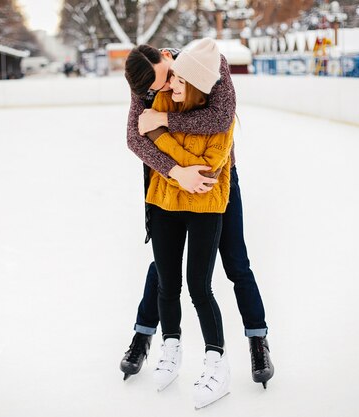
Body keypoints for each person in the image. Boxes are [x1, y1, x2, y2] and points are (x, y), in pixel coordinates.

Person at [121, 39, 274, 391]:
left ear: (166, 55)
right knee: (164, 265)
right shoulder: (144, 79)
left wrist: (164, 120)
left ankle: (258, 340)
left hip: (214, 175)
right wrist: (175, 171)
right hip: (168, 180)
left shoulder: (205, 62)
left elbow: (221, 118)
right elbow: (134, 137)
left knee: (236, 261)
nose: (161, 89)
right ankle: (144, 337)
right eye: (153, 89)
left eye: (164, 79)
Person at [141, 38, 233, 408]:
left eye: (179, 81)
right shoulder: (166, 98)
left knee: (199, 285)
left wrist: (165, 137)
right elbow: (144, 134)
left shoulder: (220, 120)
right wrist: (180, 166)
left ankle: (216, 362)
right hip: (164, 201)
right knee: (167, 281)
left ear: (195, 84)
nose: (170, 86)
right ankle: (171, 347)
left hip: (205, 204)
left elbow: (207, 170)